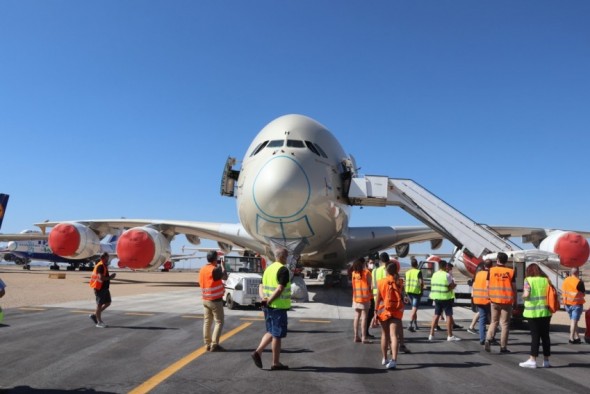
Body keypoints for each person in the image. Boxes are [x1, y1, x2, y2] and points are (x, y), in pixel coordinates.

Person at [251, 248, 291, 370]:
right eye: (287, 256)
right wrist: (270, 300)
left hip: (268, 307)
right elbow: (279, 289)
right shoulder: (283, 270)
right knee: (277, 335)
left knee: (271, 332)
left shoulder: (268, 269)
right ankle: (276, 363)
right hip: (278, 307)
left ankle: (258, 352)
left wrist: (264, 299)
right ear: (283, 257)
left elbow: (261, 285)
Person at [519, 263, 552, 368]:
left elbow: (527, 294)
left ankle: (532, 360)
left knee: (535, 337)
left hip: (532, 313)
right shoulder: (546, 280)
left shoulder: (528, 280)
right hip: (546, 312)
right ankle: (546, 360)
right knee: (545, 336)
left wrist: (522, 296)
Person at [372, 262, 404, 369]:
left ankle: (384, 358)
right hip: (396, 311)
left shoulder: (381, 282)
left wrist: (375, 311)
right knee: (394, 335)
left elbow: (378, 299)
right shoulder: (399, 281)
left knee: (384, 335)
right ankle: (394, 360)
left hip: (384, 311)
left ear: (386, 270)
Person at [484, 252, 516, 354]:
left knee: (494, 321)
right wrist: (514, 300)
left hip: (494, 300)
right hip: (506, 301)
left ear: (497, 260)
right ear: (506, 261)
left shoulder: (491, 270)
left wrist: (489, 296)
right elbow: (514, 288)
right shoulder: (511, 271)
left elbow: (487, 285)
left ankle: (488, 338)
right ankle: (503, 347)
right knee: (505, 324)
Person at [199, 250, 227, 352]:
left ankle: (207, 343)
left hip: (205, 299)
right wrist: (223, 266)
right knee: (219, 322)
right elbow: (225, 276)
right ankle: (214, 345)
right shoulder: (215, 270)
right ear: (216, 259)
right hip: (215, 300)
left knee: (207, 322)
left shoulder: (202, 269)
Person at [428, 260, 461, 342]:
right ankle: (450, 335)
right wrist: (454, 285)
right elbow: (450, 286)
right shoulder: (447, 275)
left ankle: (431, 334)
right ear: (445, 266)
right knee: (448, 316)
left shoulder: (434, 274)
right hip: (446, 297)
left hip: (436, 297)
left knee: (436, 315)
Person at [89, 253, 116, 328]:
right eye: (107, 258)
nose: (108, 259)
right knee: (99, 305)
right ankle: (99, 322)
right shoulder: (100, 266)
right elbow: (101, 278)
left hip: (104, 288)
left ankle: (95, 315)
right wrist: (110, 277)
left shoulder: (104, 265)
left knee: (108, 302)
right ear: (104, 258)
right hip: (99, 288)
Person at [351, 257, 373, 343]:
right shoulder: (366, 273)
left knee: (356, 317)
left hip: (356, 298)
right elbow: (370, 285)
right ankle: (364, 337)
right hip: (365, 298)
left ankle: (356, 336)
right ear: (363, 264)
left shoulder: (353, 273)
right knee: (364, 318)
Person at [561, 267, 586, 344]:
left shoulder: (565, 280)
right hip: (576, 304)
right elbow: (583, 294)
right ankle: (571, 338)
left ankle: (577, 336)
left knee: (574, 321)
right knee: (574, 321)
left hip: (567, 304)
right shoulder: (579, 282)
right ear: (577, 272)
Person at [471, 260, 492, 345]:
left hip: (478, 299)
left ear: (484, 266)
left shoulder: (478, 274)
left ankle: (482, 338)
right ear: (491, 266)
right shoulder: (490, 274)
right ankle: (490, 337)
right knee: (493, 320)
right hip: (488, 299)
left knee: (482, 319)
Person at [405, 257, 423, 332]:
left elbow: (405, 283)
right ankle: (410, 323)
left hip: (409, 292)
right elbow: (421, 282)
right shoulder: (418, 272)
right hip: (416, 292)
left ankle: (415, 324)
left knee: (413, 309)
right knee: (414, 309)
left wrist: (405, 295)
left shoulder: (407, 272)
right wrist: (421, 290)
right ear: (417, 264)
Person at [364, 256, 376, 340]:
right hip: (368, 297)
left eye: (373, 263)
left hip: (372, 296)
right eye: (371, 263)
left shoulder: (372, 272)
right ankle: (365, 333)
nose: (372, 265)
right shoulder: (367, 272)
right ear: (367, 264)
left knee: (369, 315)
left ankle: (366, 332)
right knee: (368, 315)